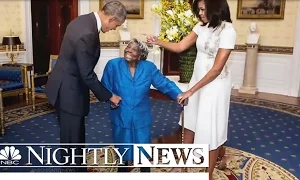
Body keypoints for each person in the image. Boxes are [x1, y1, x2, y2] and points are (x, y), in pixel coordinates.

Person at [147, 0, 236, 178]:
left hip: (215, 85)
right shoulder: (200, 27)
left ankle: (207, 174)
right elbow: (180, 46)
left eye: (203, 9)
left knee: (211, 128)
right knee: (190, 121)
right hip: (197, 80)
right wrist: (158, 41)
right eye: (199, 10)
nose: (200, 13)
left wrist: (190, 90)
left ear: (215, 7)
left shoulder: (228, 31)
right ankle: (182, 163)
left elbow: (216, 69)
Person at [44, 1, 127, 171]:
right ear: (111, 19)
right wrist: (109, 95)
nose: (114, 29)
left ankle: (72, 168)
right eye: (116, 25)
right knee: (73, 141)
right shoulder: (88, 33)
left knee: (70, 138)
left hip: (63, 85)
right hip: (70, 91)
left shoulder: (81, 20)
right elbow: (87, 74)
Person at [101, 38, 183, 172]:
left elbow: (164, 83)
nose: (128, 50)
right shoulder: (113, 65)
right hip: (120, 114)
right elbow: (104, 85)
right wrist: (111, 98)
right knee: (123, 151)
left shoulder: (148, 68)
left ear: (140, 56)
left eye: (133, 49)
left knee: (143, 151)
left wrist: (179, 94)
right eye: (128, 47)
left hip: (141, 116)